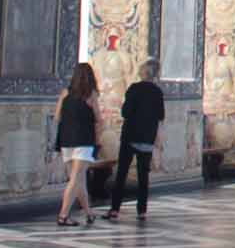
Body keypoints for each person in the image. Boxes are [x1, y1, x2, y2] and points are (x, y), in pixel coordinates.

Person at [105, 60, 166, 221]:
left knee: (122, 173)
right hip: (147, 138)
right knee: (143, 176)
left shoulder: (134, 89)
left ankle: (115, 209)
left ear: (143, 72)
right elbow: (160, 118)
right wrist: (158, 140)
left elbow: (125, 112)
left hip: (130, 136)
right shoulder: (158, 92)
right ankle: (142, 211)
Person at [54, 62, 100, 227]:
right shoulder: (91, 94)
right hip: (84, 140)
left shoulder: (65, 93)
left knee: (78, 180)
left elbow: (57, 116)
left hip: (66, 140)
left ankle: (89, 213)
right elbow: (98, 119)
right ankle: (63, 215)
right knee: (75, 179)